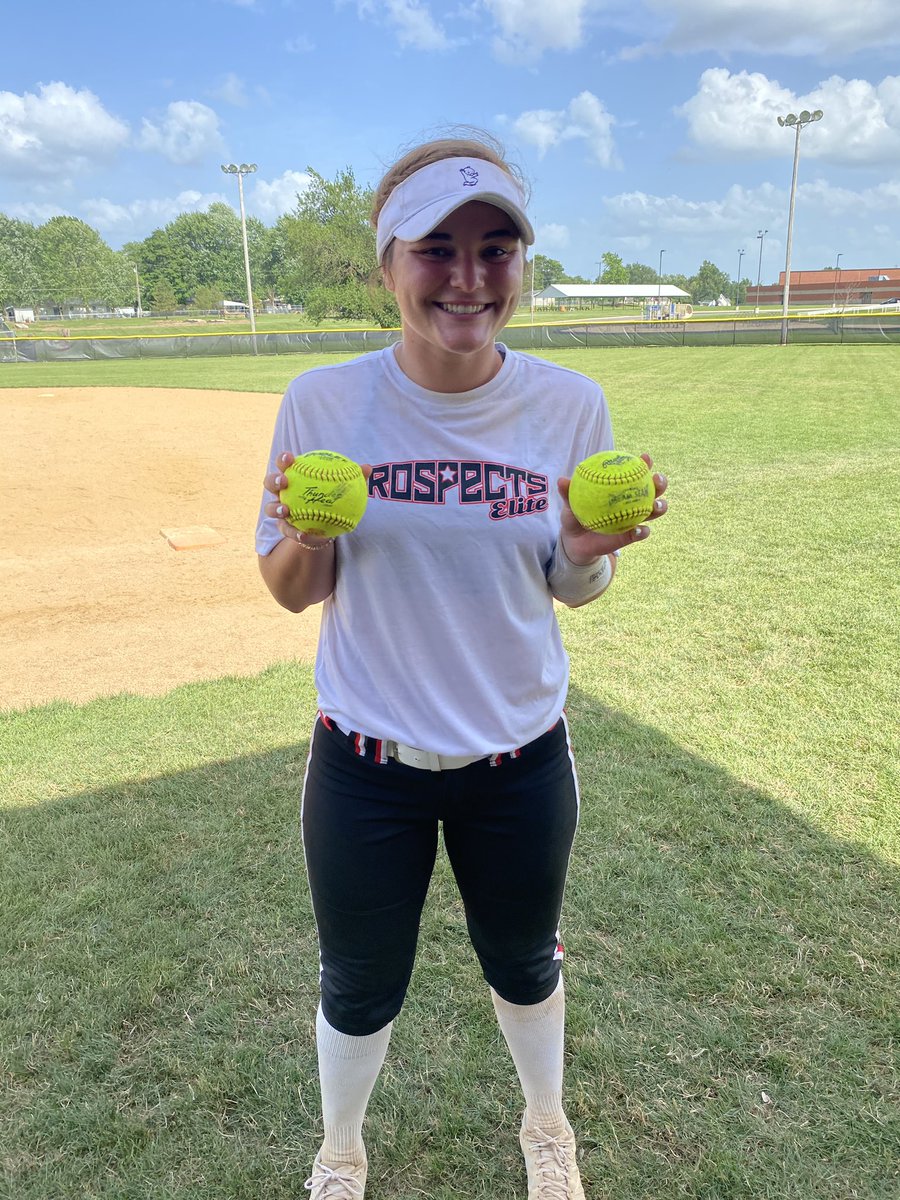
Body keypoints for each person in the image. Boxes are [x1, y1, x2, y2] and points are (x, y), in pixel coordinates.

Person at [256, 131, 668, 1199]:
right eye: (438, 248)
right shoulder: (323, 403)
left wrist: (582, 554)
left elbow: (571, 589)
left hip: (518, 758)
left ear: (521, 268)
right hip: (365, 761)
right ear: (387, 262)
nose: (470, 277)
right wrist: (311, 533)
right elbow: (294, 589)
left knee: (527, 962)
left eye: (497, 249)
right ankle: (341, 1147)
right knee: (358, 983)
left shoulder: (570, 405)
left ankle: (547, 1122)